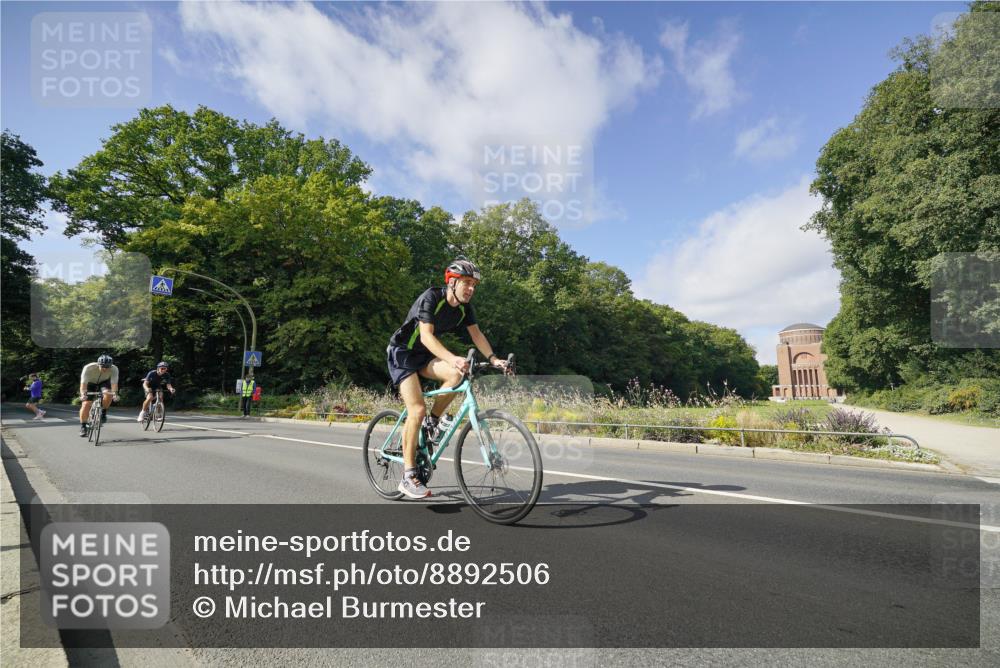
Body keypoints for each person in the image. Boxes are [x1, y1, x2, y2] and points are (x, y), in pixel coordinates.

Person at [386, 258, 508, 499]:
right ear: (452, 282)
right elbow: (426, 337)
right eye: (466, 283)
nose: (471, 288)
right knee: (416, 410)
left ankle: (433, 421)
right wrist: (453, 357)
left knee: (457, 374)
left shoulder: (464, 308)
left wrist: (494, 359)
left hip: (423, 357)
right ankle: (408, 476)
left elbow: (477, 334)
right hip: (402, 353)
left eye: (474, 284)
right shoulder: (431, 297)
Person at [78, 354, 119, 437]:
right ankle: (83, 426)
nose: (105, 369)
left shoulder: (114, 369)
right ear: (98, 364)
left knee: (108, 394)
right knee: (86, 404)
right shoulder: (88, 368)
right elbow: (83, 384)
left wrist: (115, 394)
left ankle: (103, 412)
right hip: (90, 383)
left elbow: (114, 383)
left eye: (107, 367)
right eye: (103, 366)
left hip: (103, 382)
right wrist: (83, 395)